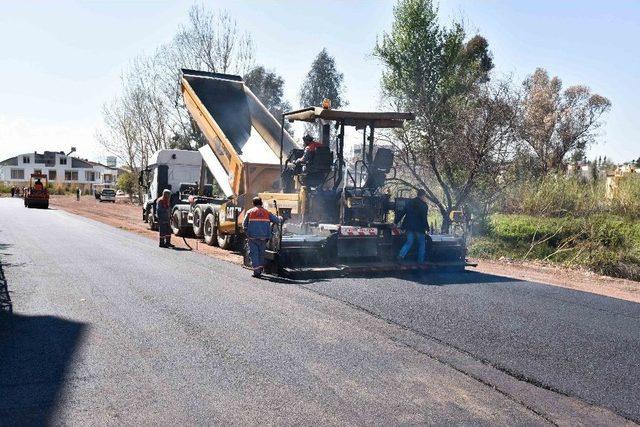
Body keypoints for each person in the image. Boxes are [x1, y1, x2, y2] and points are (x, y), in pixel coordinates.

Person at [242, 197, 281, 278]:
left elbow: (244, 225)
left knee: (254, 254)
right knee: (261, 254)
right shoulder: (267, 212)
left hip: (252, 238)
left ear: (253, 203)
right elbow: (277, 220)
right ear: (261, 203)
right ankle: (260, 269)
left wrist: (247, 234)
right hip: (264, 238)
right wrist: (281, 217)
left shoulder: (250, 212)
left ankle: (257, 271)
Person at [396, 189, 430, 263]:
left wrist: (395, 222)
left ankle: (400, 256)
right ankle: (420, 261)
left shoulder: (409, 202)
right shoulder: (424, 205)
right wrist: (427, 227)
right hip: (419, 228)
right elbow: (424, 218)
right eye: (425, 196)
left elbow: (402, 213)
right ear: (423, 195)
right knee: (422, 244)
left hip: (409, 226)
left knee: (409, 242)